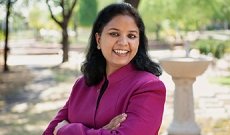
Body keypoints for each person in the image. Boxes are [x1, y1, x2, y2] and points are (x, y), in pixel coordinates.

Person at [43, 2, 166, 135]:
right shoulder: (82, 84)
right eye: (114, 34)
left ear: (139, 41)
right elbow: (49, 132)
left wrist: (66, 130)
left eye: (131, 36)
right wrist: (103, 131)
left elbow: (58, 129)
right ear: (98, 39)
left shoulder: (148, 87)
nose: (123, 42)